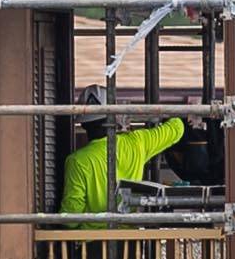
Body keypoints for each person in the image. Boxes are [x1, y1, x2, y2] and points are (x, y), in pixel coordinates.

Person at [59, 89, 192, 223]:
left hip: (94, 240)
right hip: (129, 238)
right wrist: (162, 116)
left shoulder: (77, 161)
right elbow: (177, 127)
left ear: (83, 124)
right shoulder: (137, 142)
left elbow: (71, 217)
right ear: (114, 117)